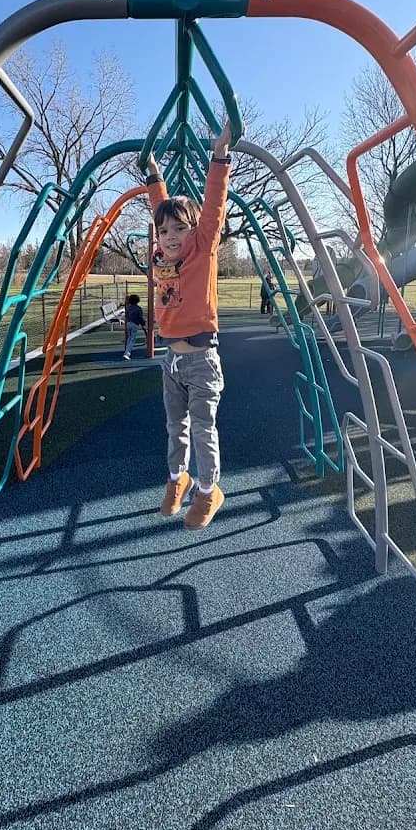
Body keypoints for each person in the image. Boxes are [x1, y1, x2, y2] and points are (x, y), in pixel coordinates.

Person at [145, 120, 233, 529]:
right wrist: (153, 174)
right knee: (174, 427)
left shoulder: (202, 248)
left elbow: (213, 205)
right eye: (164, 230)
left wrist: (219, 155)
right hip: (172, 362)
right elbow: (158, 208)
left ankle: (208, 489)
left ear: (195, 231)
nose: (171, 235)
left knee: (202, 428)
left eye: (180, 228)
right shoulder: (160, 257)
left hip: (201, 360)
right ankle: (177, 479)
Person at [122, 293, 146, 360]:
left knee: (129, 338)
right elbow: (140, 318)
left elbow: (126, 315)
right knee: (132, 339)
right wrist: (143, 324)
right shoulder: (138, 308)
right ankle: (127, 354)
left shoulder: (128, 308)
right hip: (134, 324)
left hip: (128, 323)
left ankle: (126, 351)